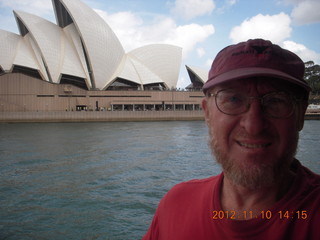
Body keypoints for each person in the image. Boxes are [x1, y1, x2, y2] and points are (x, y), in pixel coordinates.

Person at [142, 39, 320, 240]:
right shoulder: (174, 206)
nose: (253, 126)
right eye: (233, 99)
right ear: (207, 113)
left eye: (276, 101)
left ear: (300, 114)